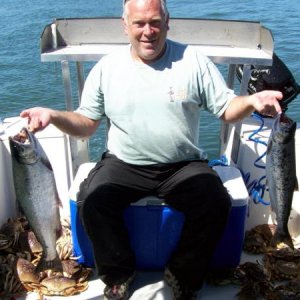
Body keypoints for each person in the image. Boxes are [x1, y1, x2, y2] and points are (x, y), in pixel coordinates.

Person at [21, 0, 283, 299]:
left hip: (182, 164)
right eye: (139, 23)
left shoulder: (193, 61)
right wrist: (53, 115)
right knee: (92, 201)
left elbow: (226, 109)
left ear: (167, 22)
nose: (148, 31)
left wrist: (251, 101)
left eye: (155, 22)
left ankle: (182, 274)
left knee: (215, 202)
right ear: (125, 25)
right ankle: (119, 274)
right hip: (124, 163)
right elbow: (86, 123)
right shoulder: (107, 68)